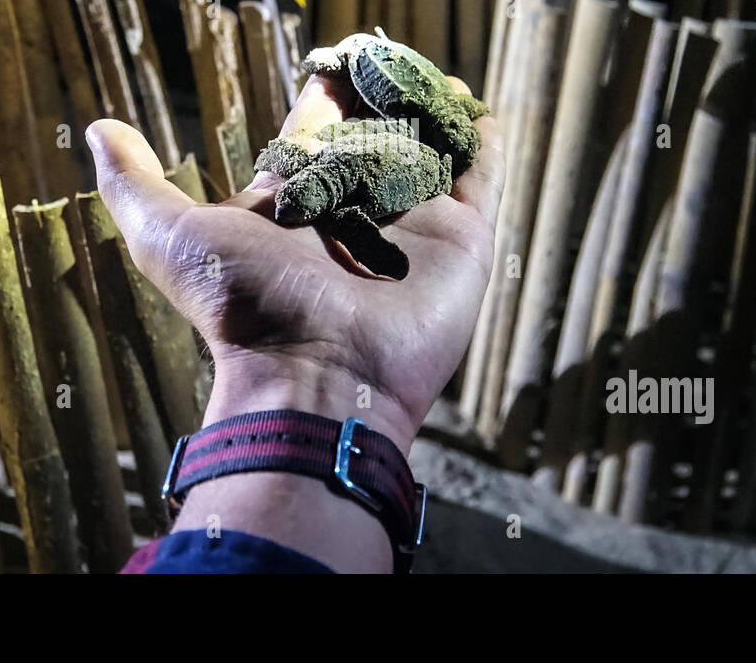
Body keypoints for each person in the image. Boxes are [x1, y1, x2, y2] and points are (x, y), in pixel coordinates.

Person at [86, 68, 504, 573]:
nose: (286, 208)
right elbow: (313, 192)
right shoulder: (317, 177)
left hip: (389, 166)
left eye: (297, 198)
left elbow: (362, 227)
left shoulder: (339, 197)